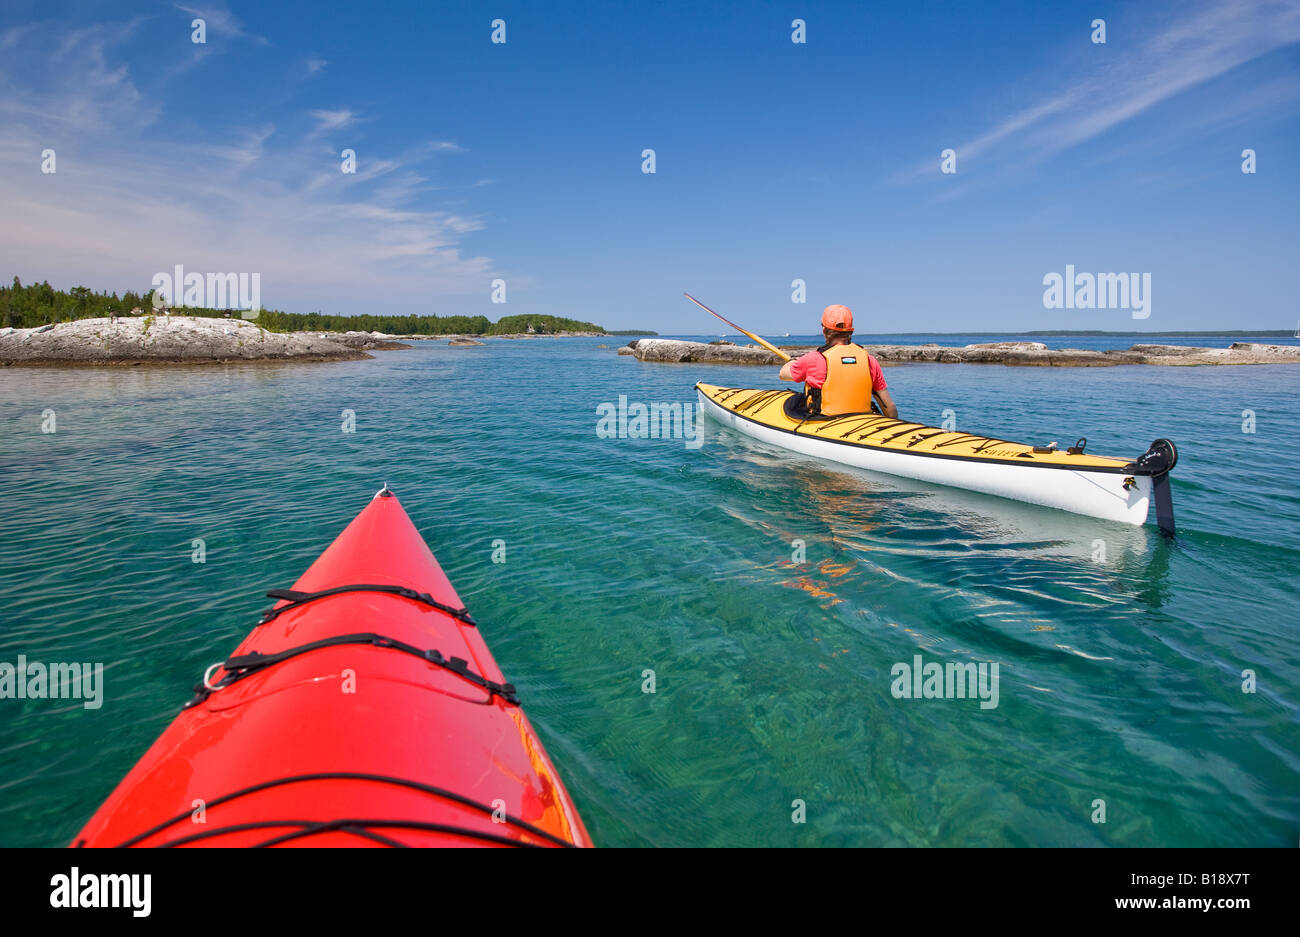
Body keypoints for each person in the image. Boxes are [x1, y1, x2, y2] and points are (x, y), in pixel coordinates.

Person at [778, 304, 898, 418]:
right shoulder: (869, 360)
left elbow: (783, 374)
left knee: (795, 403)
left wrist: (793, 361)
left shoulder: (815, 359)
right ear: (850, 330)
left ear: (824, 330)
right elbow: (889, 408)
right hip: (861, 420)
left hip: (826, 421)